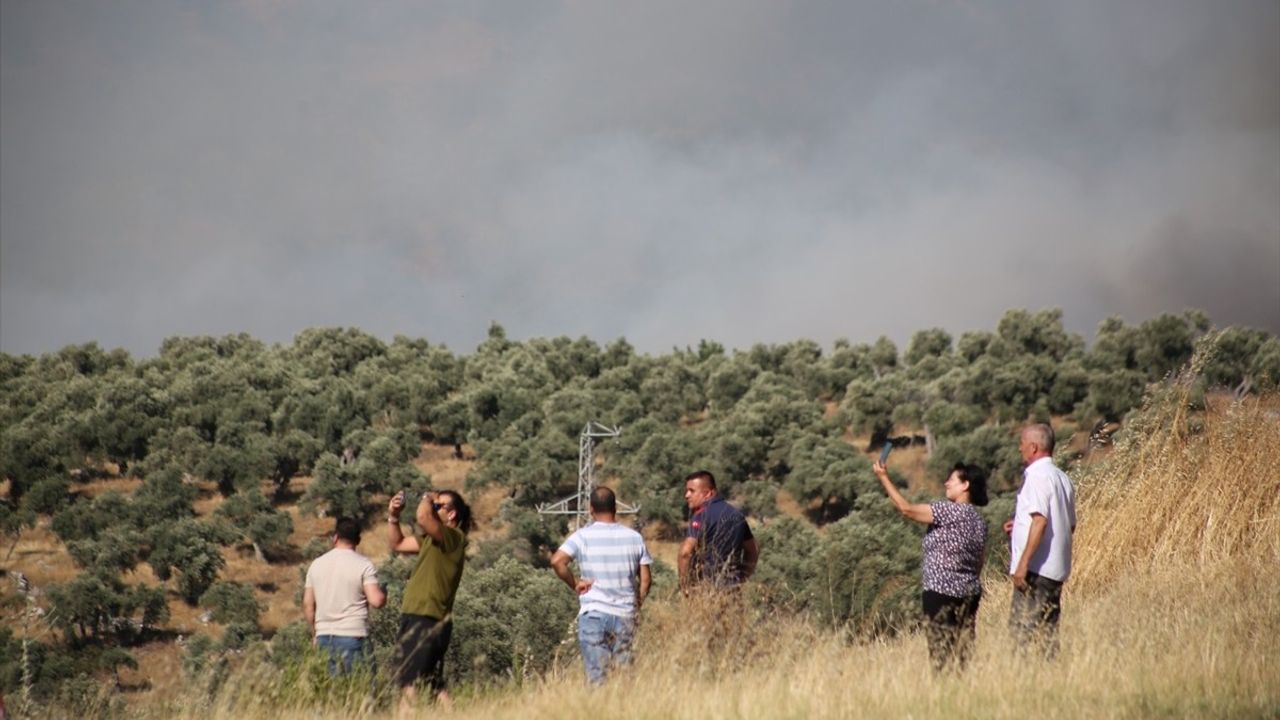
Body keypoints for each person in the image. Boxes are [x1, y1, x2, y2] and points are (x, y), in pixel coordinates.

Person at [872, 459, 989, 672]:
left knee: (941, 657)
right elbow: (979, 561)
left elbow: (906, 509)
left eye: (952, 480)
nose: (946, 483)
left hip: (941, 592)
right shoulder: (979, 521)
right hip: (970, 593)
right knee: (963, 655)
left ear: (965, 485)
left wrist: (883, 478)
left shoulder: (947, 511)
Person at [550, 487, 653, 686]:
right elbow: (646, 580)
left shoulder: (582, 536)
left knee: (597, 679)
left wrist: (575, 584)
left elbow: (557, 561)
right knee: (624, 679)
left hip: (594, 614)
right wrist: (636, 603)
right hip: (625, 615)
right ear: (615, 508)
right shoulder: (634, 538)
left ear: (591, 509)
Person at [387, 489, 473, 716]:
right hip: (421, 615)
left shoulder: (453, 538)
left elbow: (423, 518)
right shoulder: (432, 540)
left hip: (426, 617)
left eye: (439, 506)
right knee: (431, 681)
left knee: (408, 680)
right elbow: (397, 544)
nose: (433, 509)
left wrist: (427, 498)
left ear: (452, 514)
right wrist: (394, 516)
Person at [1007, 423, 1077, 658]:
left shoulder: (1036, 477)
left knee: (1021, 633)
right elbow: (1070, 524)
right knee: (1048, 633)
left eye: (1023, 444)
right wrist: (1017, 527)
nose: (1020, 449)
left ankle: (1023, 683)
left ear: (1034, 447)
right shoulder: (1062, 478)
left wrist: (1023, 564)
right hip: (1056, 569)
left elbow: (1040, 521)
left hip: (1036, 570)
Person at [303, 517, 386, 675]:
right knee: (362, 690)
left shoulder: (316, 564)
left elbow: (308, 605)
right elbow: (376, 600)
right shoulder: (364, 565)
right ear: (358, 540)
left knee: (331, 692)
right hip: (353, 635)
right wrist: (384, 593)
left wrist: (315, 634)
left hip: (324, 636)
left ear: (335, 537)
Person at [678, 471, 759, 592]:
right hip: (732, 590)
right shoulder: (736, 515)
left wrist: (685, 586)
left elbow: (685, 553)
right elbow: (753, 550)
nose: (687, 495)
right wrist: (743, 577)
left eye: (692, 491)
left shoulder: (701, 516)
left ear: (708, 493)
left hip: (704, 589)